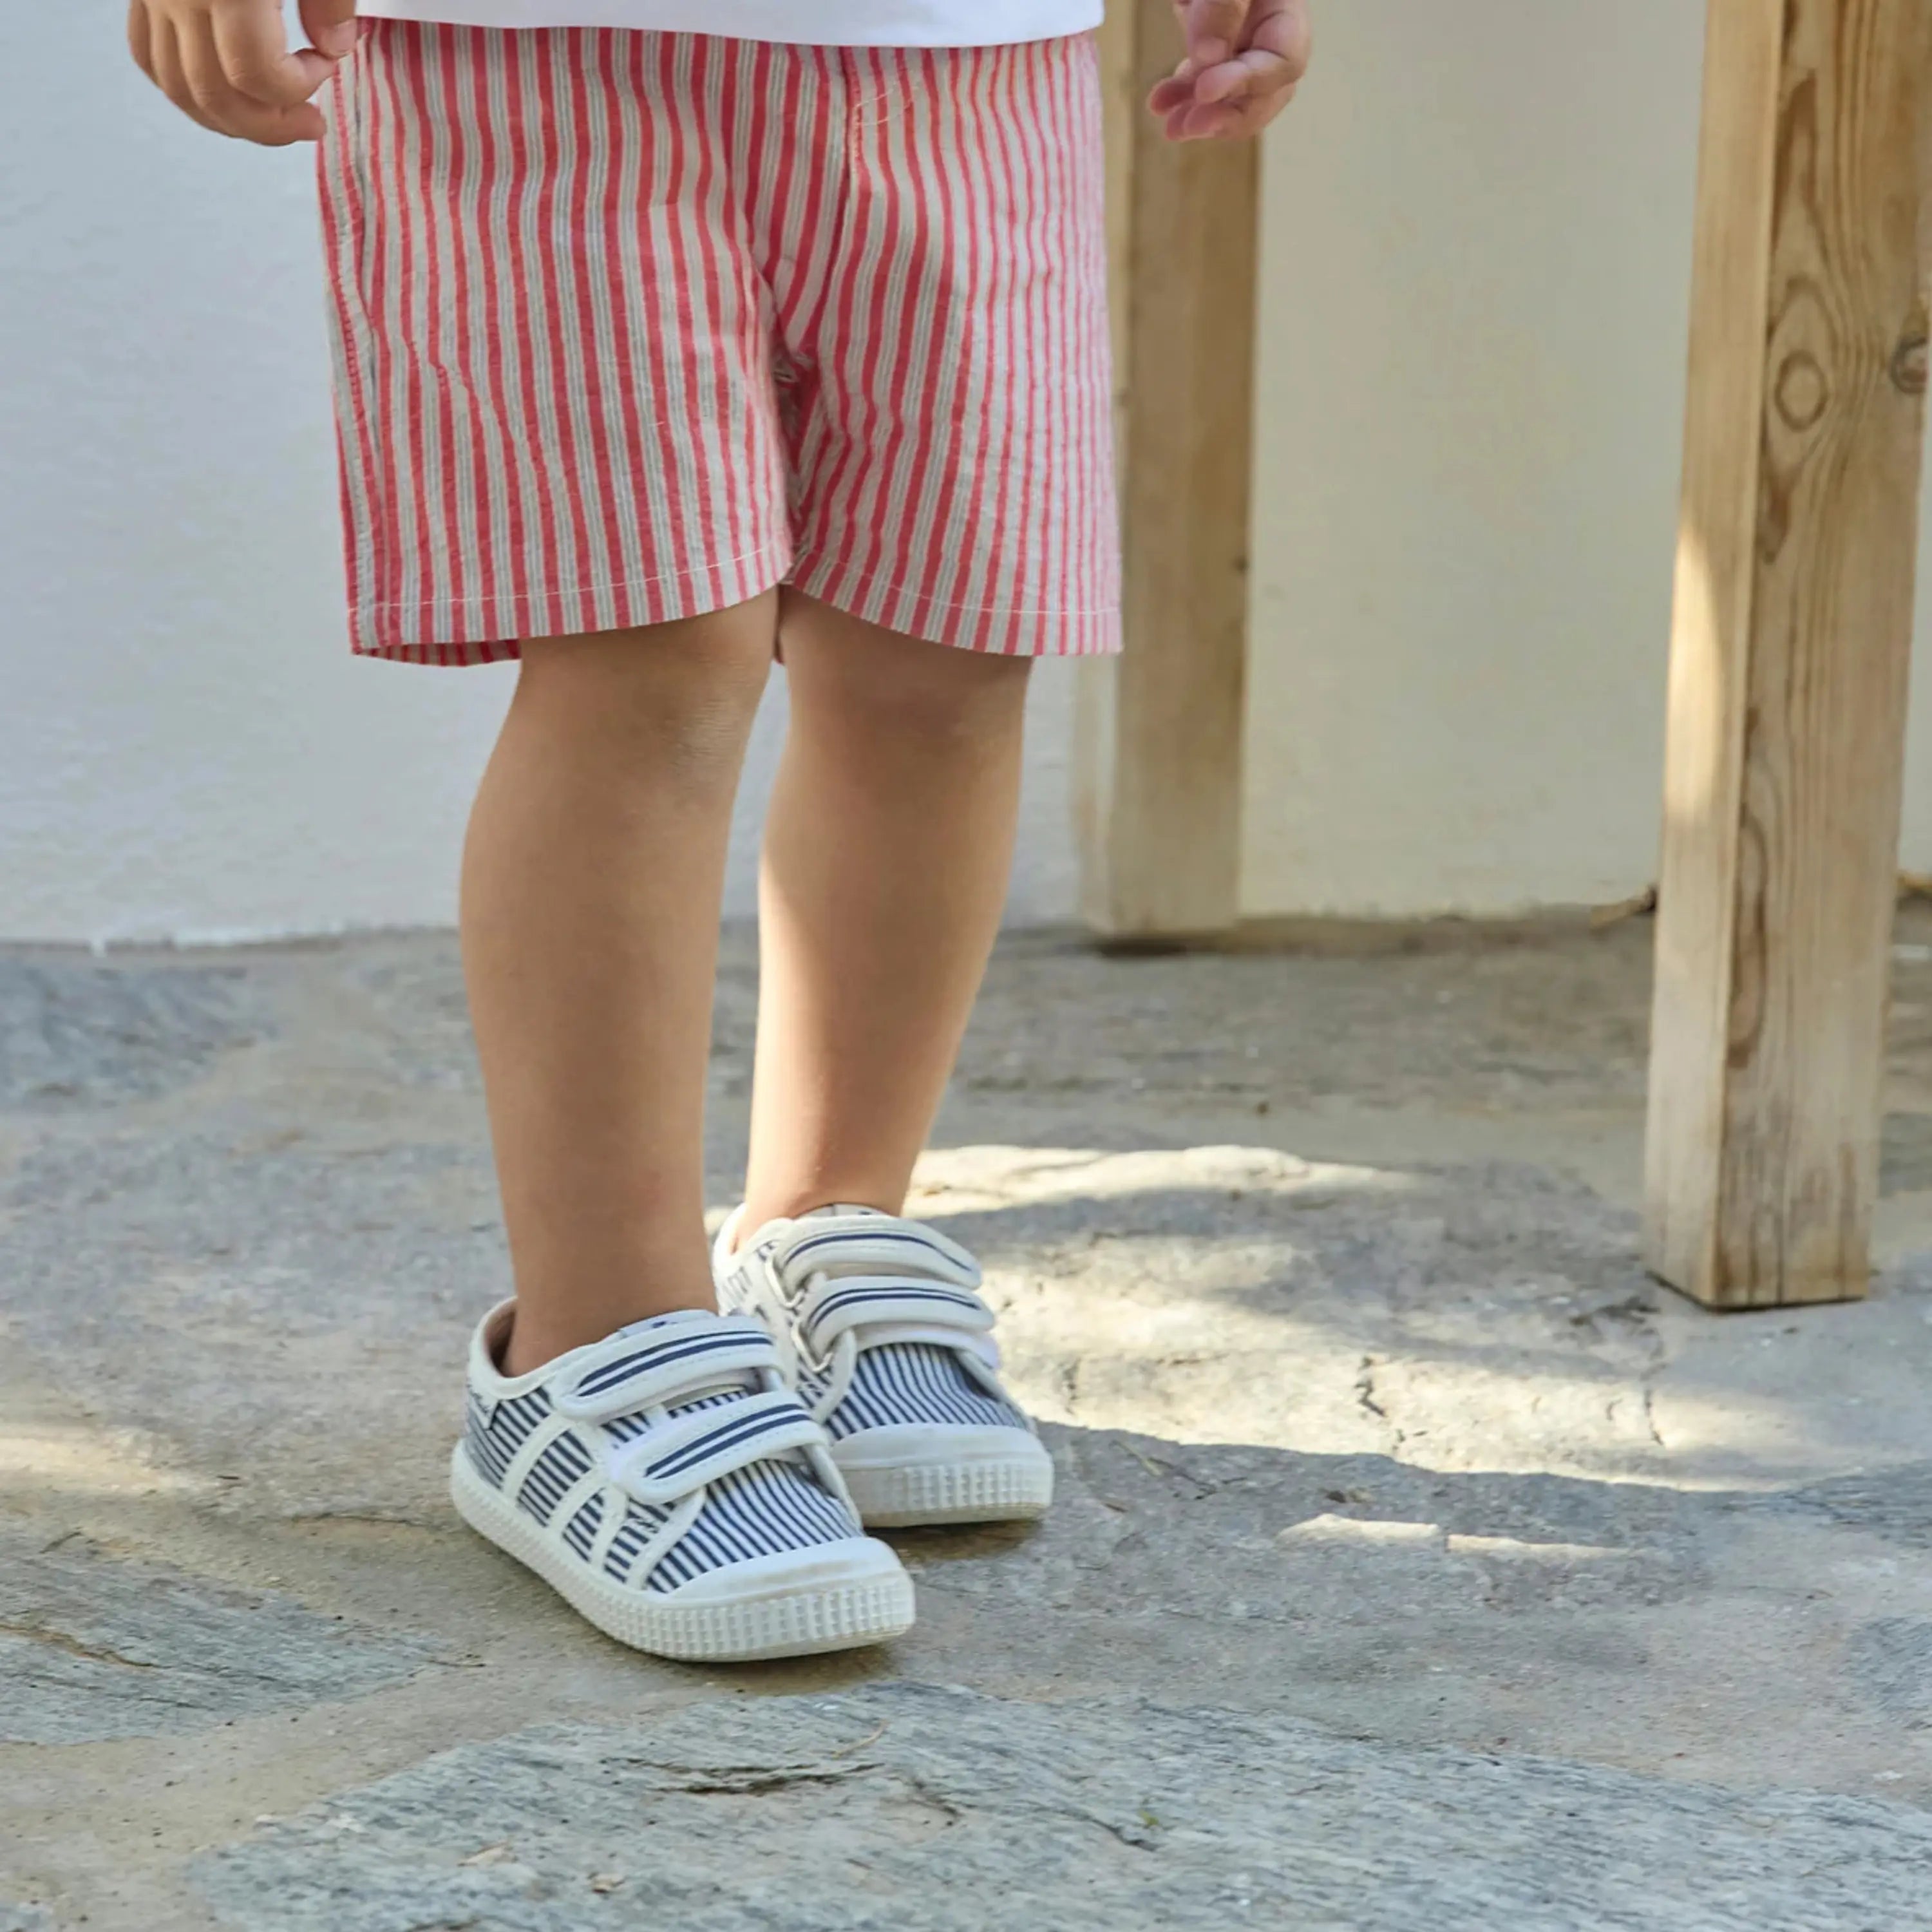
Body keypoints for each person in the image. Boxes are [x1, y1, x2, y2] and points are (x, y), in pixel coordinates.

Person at [126, 0, 1311, 1662]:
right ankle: (593, 1344)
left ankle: (829, 1228)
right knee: (646, 655)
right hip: (536, 50)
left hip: (975, 53)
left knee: (949, 645)